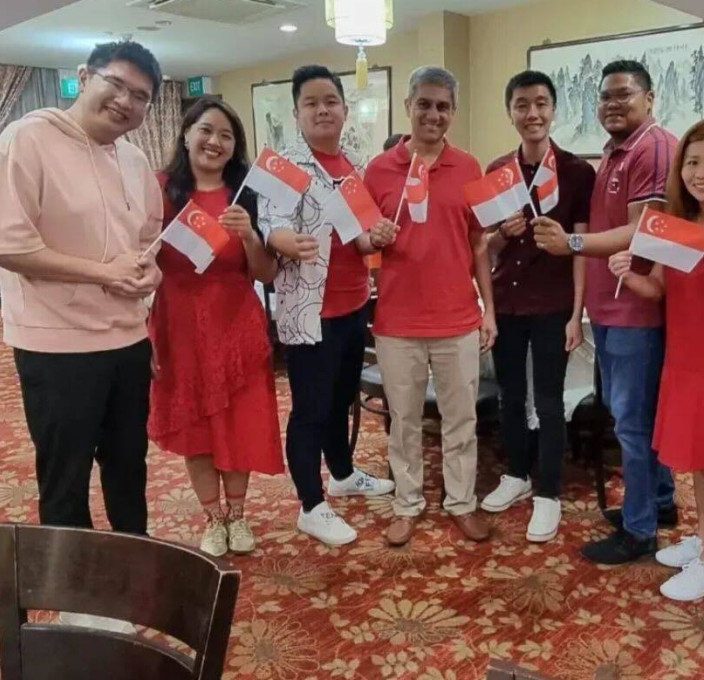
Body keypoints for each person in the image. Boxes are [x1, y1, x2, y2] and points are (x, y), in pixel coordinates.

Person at [0, 41, 163, 535]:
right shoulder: (26, 140)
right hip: (57, 346)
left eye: (141, 96)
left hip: (128, 341)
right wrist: (105, 273)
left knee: (129, 463)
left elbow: (149, 243)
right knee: (66, 475)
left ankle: (134, 556)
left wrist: (151, 276)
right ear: (85, 78)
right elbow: (6, 245)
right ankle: (79, 593)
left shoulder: (134, 161)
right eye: (116, 85)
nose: (126, 102)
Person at [609, 118, 704, 600]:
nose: (701, 172)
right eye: (693, 161)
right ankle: (703, 540)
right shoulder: (678, 223)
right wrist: (628, 275)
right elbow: (657, 288)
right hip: (683, 360)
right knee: (696, 462)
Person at [534, 60, 678, 564]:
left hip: (635, 310)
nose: (613, 105)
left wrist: (570, 241)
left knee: (633, 426)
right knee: (637, 420)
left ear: (650, 97)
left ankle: (639, 531)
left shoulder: (654, 147)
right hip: (613, 309)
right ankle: (658, 503)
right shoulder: (619, 151)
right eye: (605, 97)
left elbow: (644, 231)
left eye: (624, 95)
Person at [362, 66, 497, 547]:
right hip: (397, 322)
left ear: (453, 113)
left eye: (443, 106)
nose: (433, 114)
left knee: (463, 420)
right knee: (404, 421)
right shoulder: (378, 171)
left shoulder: (469, 168)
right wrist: (371, 238)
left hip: (458, 319)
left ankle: (461, 501)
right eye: (424, 104)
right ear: (408, 107)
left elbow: (479, 243)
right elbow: (359, 243)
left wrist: (489, 310)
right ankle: (407, 502)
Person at [260, 65, 394, 548]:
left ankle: (341, 473)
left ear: (343, 108)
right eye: (311, 102)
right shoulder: (284, 165)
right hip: (306, 310)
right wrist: (283, 241)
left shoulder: (355, 163)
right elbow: (267, 226)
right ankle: (311, 506)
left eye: (330, 101)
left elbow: (360, 237)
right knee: (311, 410)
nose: (322, 110)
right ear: (297, 113)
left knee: (341, 400)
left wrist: (374, 236)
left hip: (354, 303)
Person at [150, 98, 283, 557]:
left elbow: (266, 274)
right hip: (179, 323)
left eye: (227, 136)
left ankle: (239, 516)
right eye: (206, 130)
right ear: (186, 134)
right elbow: (143, 256)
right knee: (197, 424)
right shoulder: (160, 190)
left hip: (236, 326)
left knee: (238, 421)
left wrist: (248, 235)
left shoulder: (247, 193)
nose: (215, 142)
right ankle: (213, 517)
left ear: (235, 147)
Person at [478, 70, 595, 542]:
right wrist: (500, 237)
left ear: (553, 110)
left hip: (553, 304)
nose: (533, 113)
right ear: (510, 112)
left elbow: (582, 247)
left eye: (541, 103)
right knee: (509, 397)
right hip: (507, 301)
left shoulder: (576, 171)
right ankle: (517, 475)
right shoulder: (496, 172)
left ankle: (548, 494)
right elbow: (484, 249)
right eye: (522, 104)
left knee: (549, 402)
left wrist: (576, 315)